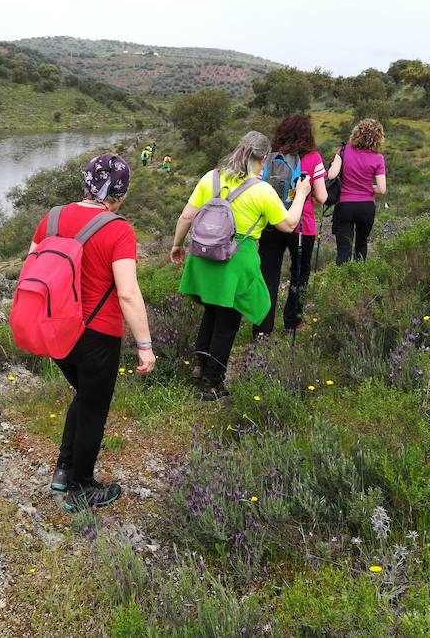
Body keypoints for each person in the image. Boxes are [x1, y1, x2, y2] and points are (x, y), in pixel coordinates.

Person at [28, 153, 156, 512]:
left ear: (86, 181)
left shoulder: (51, 217)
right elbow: (128, 292)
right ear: (121, 193)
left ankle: (64, 469)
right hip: (97, 334)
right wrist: (145, 347)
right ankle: (81, 487)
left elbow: (32, 270)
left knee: (84, 395)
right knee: (94, 406)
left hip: (55, 330)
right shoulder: (118, 230)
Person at [170, 131, 311, 400]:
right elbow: (289, 224)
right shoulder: (262, 191)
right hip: (235, 259)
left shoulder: (210, 177)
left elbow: (187, 216)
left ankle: (200, 366)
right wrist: (302, 193)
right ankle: (212, 384)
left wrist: (177, 246)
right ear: (264, 159)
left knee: (211, 310)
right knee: (228, 319)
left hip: (203, 255)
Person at [253, 113, 328, 338]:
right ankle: (293, 321)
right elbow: (323, 197)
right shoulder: (313, 158)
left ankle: (262, 329)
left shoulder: (270, 156)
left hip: (271, 223)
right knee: (300, 273)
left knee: (268, 275)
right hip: (301, 226)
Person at [326, 118, 387, 265]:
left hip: (345, 206)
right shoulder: (378, 158)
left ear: (357, 133)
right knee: (361, 245)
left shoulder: (343, 151)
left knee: (344, 250)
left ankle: (340, 284)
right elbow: (382, 189)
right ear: (378, 138)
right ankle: (359, 281)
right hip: (366, 207)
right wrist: (367, 187)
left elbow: (331, 175)